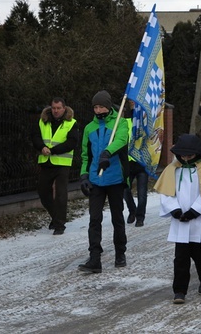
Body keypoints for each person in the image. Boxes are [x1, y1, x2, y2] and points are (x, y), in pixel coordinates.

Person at [154, 134, 201, 304]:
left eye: (189, 156)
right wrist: (175, 210)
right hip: (180, 221)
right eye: (182, 155)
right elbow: (167, 193)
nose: (185, 159)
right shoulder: (173, 169)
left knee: (199, 254)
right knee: (180, 257)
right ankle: (179, 290)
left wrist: (194, 211)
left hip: (198, 220)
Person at [78, 90, 130, 273]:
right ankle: (94, 258)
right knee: (94, 219)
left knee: (117, 218)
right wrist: (84, 176)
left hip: (115, 178)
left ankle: (120, 252)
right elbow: (85, 154)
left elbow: (122, 140)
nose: (98, 110)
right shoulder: (89, 128)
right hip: (96, 180)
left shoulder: (120, 123)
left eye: (102, 106)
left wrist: (108, 152)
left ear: (108, 107)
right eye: (96, 107)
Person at [33, 97, 79, 235]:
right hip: (46, 162)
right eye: (54, 108)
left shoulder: (71, 123)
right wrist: (42, 147)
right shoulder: (43, 121)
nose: (56, 111)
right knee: (43, 192)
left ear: (64, 108)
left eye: (59, 108)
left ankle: (59, 225)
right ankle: (56, 216)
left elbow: (72, 142)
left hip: (62, 163)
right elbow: (35, 136)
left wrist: (53, 150)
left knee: (60, 194)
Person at [123, 100, 148, 227]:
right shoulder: (124, 121)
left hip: (141, 163)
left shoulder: (145, 120)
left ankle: (140, 217)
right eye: (130, 101)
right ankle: (132, 211)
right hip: (127, 163)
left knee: (142, 193)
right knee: (125, 190)